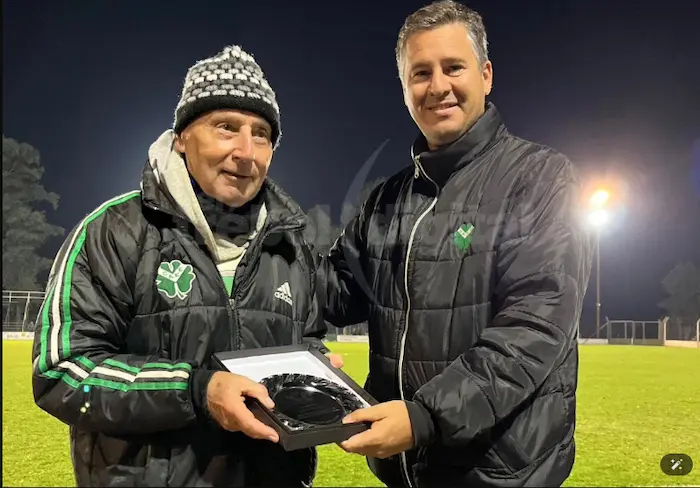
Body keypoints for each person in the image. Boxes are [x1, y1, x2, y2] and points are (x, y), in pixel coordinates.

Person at [32, 44, 341, 487]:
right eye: (226, 127)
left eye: (261, 134)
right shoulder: (112, 232)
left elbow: (306, 338)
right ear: (181, 137)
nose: (246, 151)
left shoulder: (291, 246)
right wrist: (195, 390)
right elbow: (62, 371)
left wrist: (315, 366)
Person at [322, 1, 594, 487]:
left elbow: (535, 325)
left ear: (485, 76)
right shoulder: (387, 198)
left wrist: (426, 416)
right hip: (404, 470)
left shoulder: (539, 178)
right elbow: (333, 291)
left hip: (501, 472)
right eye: (420, 73)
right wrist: (255, 239)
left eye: (453, 67)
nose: (438, 86)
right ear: (404, 89)